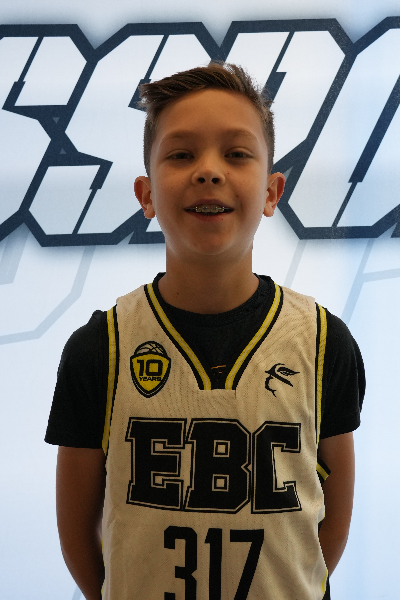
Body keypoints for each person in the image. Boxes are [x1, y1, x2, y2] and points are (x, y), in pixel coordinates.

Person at [46, 63, 365, 600]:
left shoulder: (322, 341)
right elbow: (78, 532)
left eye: (236, 154)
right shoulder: (100, 347)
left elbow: (329, 527)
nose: (208, 171)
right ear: (146, 195)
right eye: (181, 154)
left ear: (272, 190)